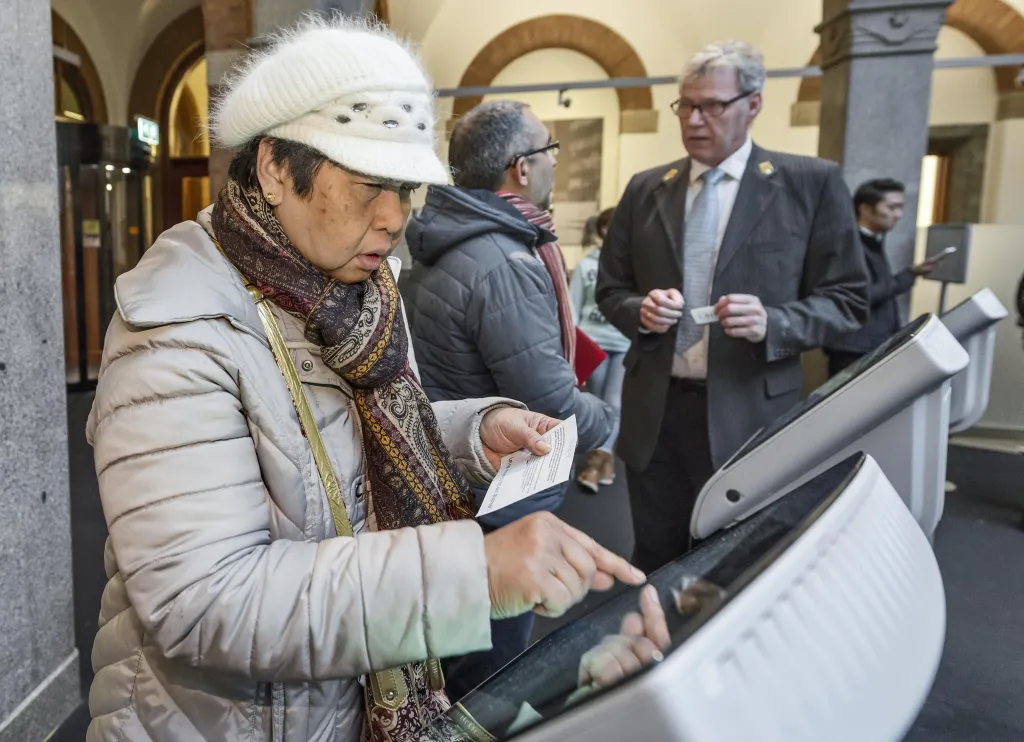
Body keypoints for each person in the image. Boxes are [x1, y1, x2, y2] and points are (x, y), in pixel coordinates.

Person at [85, 19, 643, 742]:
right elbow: (203, 598)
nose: (393, 218)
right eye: (370, 185)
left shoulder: (356, 296)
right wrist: (470, 573)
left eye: (406, 188)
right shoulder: (177, 329)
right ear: (276, 168)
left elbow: (332, 445)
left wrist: (470, 436)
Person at [597, 41, 869, 573]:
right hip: (657, 411)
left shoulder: (809, 184)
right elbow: (611, 289)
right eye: (685, 106)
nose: (695, 120)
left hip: (749, 410)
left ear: (754, 104)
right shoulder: (647, 187)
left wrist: (775, 321)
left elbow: (848, 300)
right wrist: (640, 311)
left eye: (712, 106)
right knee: (655, 556)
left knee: (741, 560)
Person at [402, 98, 614, 701]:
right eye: (550, 150)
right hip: (496, 485)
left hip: (449, 478)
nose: (553, 163)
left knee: (454, 655)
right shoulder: (502, 260)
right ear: (521, 168)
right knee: (491, 674)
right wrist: (612, 419)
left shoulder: (448, 238)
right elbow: (548, 397)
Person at [824, 178, 942, 375]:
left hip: (871, 344)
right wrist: (910, 274)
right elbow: (861, 294)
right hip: (854, 348)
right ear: (865, 209)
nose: (898, 214)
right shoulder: (849, 244)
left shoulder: (872, 241)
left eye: (900, 207)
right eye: (891, 207)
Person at [570, 207, 629, 493]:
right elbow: (573, 307)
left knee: (615, 403)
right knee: (595, 401)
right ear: (606, 230)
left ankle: (595, 463)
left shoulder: (633, 265)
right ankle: (605, 461)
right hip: (595, 344)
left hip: (624, 343)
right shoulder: (587, 266)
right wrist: (575, 347)